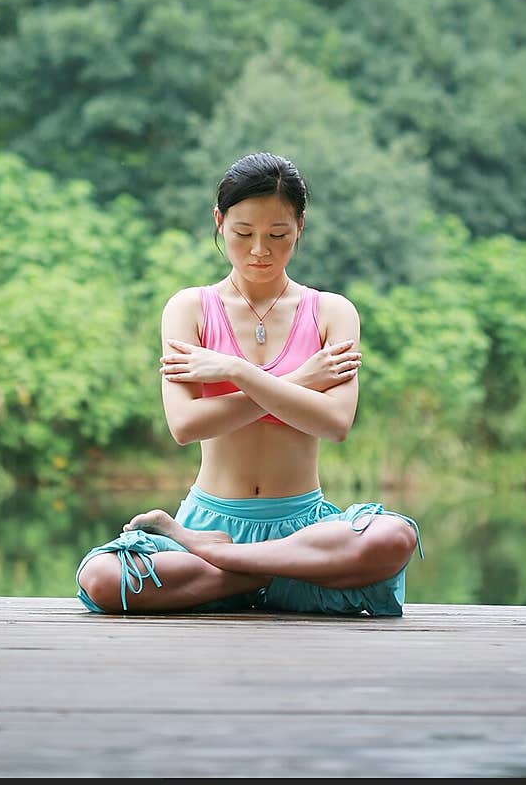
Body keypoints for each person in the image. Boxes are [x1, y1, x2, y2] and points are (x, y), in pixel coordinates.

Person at [75, 151, 423, 617]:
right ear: (219, 222)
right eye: (243, 234)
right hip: (212, 520)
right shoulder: (189, 308)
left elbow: (335, 423)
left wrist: (236, 371)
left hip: (304, 533)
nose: (260, 249)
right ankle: (261, 574)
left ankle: (232, 568)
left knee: (395, 536)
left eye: (278, 235)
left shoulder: (332, 312)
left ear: (300, 226)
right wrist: (298, 380)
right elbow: (185, 425)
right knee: (101, 578)